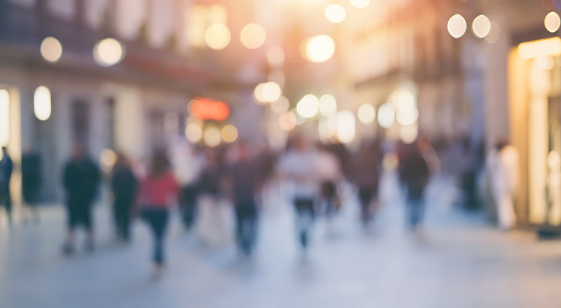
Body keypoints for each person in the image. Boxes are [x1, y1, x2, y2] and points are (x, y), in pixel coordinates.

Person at [138, 150, 179, 275]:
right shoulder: (168, 176)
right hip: (162, 208)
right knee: (159, 237)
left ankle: (158, 260)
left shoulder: (149, 175)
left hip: (151, 209)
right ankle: (158, 261)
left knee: (157, 236)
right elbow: (174, 190)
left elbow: (142, 192)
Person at [277, 136, 319, 250]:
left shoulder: (312, 156)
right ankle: (301, 235)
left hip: (310, 192)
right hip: (297, 193)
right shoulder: (291, 157)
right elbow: (282, 173)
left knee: (311, 216)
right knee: (299, 217)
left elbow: (319, 172)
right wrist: (295, 177)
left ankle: (307, 234)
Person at [62, 145, 101, 254]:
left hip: (85, 199)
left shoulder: (89, 165)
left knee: (87, 220)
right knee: (71, 222)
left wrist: (90, 192)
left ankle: (90, 241)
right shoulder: (70, 165)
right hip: (73, 198)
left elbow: (96, 178)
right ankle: (69, 243)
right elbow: (65, 180)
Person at [224, 142, 260, 256]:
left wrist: (260, 195)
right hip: (239, 199)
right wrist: (231, 197)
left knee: (252, 223)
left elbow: (258, 182)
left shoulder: (253, 166)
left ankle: (249, 244)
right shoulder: (234, 166)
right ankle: (241, 243)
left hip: (250, 198)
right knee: (239, 224)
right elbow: (229, 182)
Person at [487, 141, 519, 230]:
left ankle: (507, 221)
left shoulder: (508, 156)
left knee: (505, 203)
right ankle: (507, 221)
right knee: (505, 203)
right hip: (501, 184)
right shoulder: (496, 156)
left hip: (504, 183)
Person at [349, 141, 382, 226]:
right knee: (368, 200)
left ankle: (365, 214)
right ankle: (366, 215)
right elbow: (376, 173)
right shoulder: (372, 159)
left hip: (362, 184)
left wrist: (354, 181)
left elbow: (354, 171)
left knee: (364, 201)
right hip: (370, 183)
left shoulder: (358, 158)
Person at [399, 142, 430, 230]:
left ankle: (410, 219)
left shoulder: (408, 159)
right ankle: (416, 220)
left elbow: (404, 171)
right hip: (418, 182)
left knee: (411, 201)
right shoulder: (421, 159)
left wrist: (403, 181)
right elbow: (426, 171)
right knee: (418, 201)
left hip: (411, 182)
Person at [110, 153, 138, 242]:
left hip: (125, 196)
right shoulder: (116, 170)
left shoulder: (127, 171)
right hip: (119, 196)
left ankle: (125, 232)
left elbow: (133, 183)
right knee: (119, 215)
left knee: (124, 215)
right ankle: (121, 231)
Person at [21, 148, 42, 223]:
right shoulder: (25, 160)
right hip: (26, 184)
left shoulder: (33, 161)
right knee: (25, 202)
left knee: (33, 202)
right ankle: (25, 217)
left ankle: (35, 216)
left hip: (32, 184)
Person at [0, 147, 13, 224]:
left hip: (6, 181)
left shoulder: (8, 160)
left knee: (8, 197)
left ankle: (8, 211)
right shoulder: (2, 160)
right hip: (1, 182)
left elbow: (10, 170)